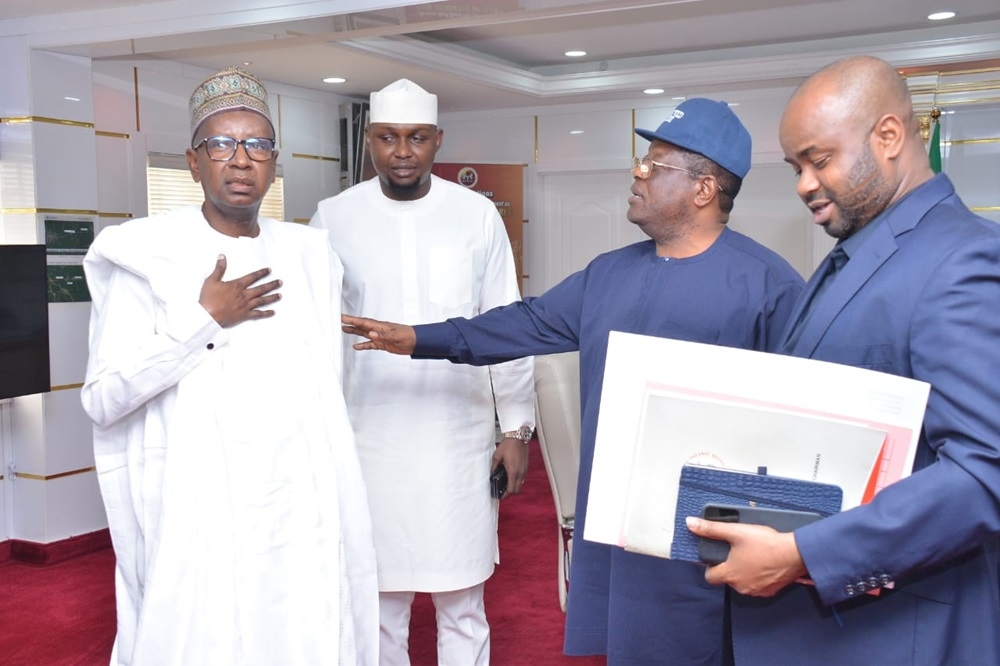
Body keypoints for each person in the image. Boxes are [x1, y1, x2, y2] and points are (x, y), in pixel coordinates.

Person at [341, 97, 806, 664]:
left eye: (655, 165)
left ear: (704, 188)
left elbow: (796, 425)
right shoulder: (610, 273)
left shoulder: (768, 285)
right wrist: (415, 338)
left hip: (715, 525)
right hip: (619, 517)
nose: (637, 173)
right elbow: (522, 325)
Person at [685, 55, 1000, 664]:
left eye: (819, 160)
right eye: (795, 166)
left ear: (888, 137)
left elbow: (986, 473)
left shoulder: (963, 260)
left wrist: (803, 555)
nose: (804, 183)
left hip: (892, 631)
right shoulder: (857, 249)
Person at [81, 67, 378, 665]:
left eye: (258, 145)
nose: (241, 160)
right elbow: (104, 397)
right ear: (194, 161)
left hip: (300, 503)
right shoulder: (142, 251)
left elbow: (328, 385)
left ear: (274, 162)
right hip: (201, 507)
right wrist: (202, 321)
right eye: (222, 144)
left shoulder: (310, 251)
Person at [309, 78, 535, 666]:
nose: (402, 151)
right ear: (369, 141)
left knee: (463, 601)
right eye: (387, 138)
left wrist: (515, 430)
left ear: (438, 141)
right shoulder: (332, 217)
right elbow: (314, 335)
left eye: (416, 138)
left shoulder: (476, 215)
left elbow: (504, 327)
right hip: (369, 439)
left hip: (455, 438)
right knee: (378, 604)